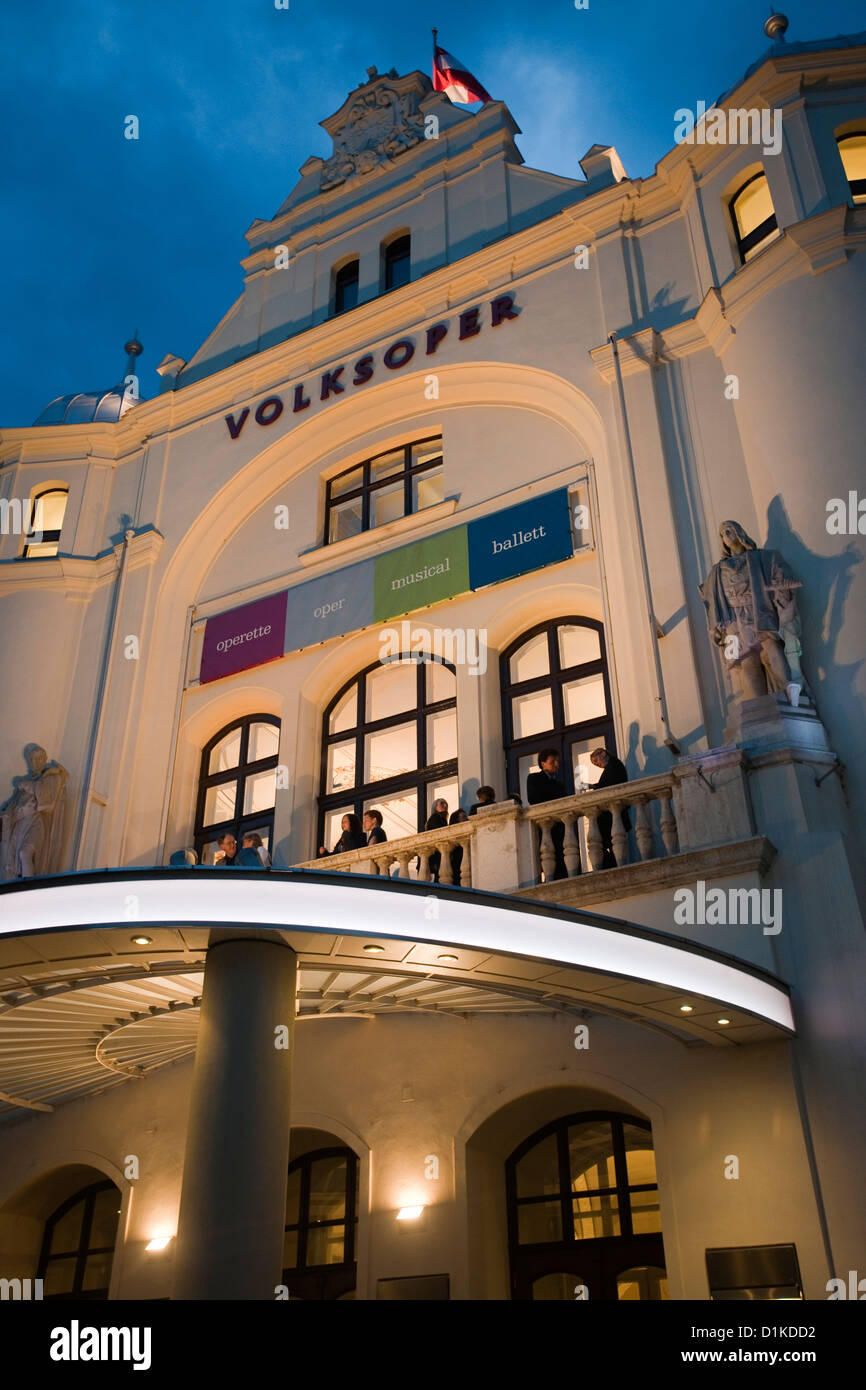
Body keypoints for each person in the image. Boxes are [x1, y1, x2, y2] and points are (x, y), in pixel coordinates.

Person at [526, 749, 568, 881]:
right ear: (542, 764)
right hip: (545, 825)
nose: (556, 764)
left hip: (560, 827)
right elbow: (534, 798)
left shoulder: (560, 784)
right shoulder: (534, 778)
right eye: (552, 762)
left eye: (557, 761)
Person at [590, 748, 630, 869]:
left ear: (603, 753)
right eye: (595, 764)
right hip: (612, 815)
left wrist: (595, 786)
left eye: (596, 760)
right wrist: (594, 786)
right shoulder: (612, 766)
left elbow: (609, 784)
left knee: (605, 843)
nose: (597, 764)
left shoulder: (614, 765)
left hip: (613, 814)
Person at [424, 798, 449, 882]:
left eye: (445, 804)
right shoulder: (435, 818)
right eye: (442, 804)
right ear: (435, 807)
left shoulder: (442, 819)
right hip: (436, 853)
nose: (445, 805)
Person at [448, 807, 468, 883]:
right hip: (457, 867)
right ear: (456, 821)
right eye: (463, 817)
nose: (466, 819)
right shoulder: (453, 838)